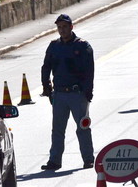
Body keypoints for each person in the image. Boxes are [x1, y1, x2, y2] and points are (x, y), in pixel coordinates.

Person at [40, 14, 94, 170]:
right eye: (59, 27)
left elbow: (89, 70)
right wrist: (47, 88)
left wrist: (88, 92)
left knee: (83, 127)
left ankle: (88, 159)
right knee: (57, 129)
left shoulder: (83, 46)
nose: (62, 30)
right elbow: (46, 68)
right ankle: (54, 161)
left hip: (78, 94)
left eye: (65, 27)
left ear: (71, 27)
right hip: (60, 94)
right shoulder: (54, 46)